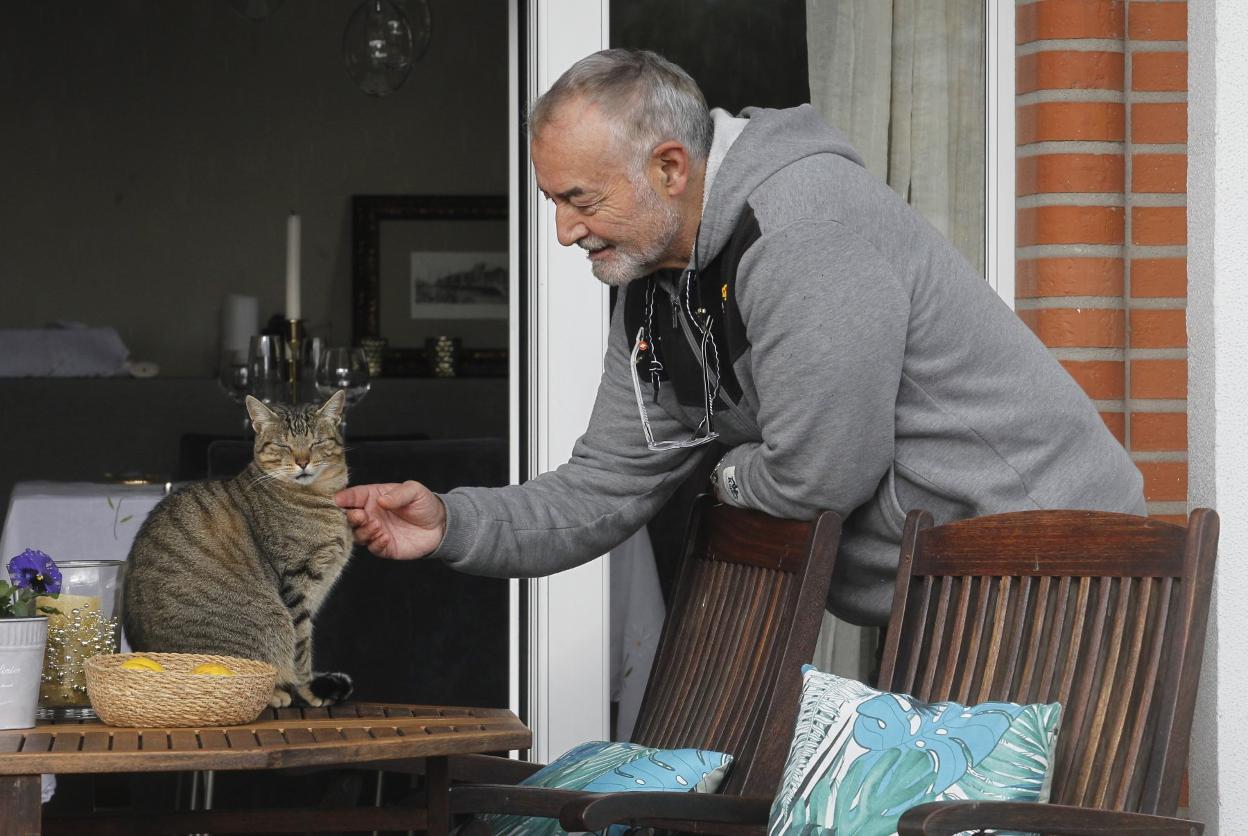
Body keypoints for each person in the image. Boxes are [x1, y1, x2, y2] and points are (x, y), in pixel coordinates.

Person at [335, 49, 1144, 627]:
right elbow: (610, 483)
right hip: (944, 585)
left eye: (579, 199)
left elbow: (818, 477)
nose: (563, 231)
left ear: (671, 169)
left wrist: (721, 474)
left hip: (1051, 565)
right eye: (554, 201)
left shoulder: (800, 228)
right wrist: (452, 523)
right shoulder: (651, 288)